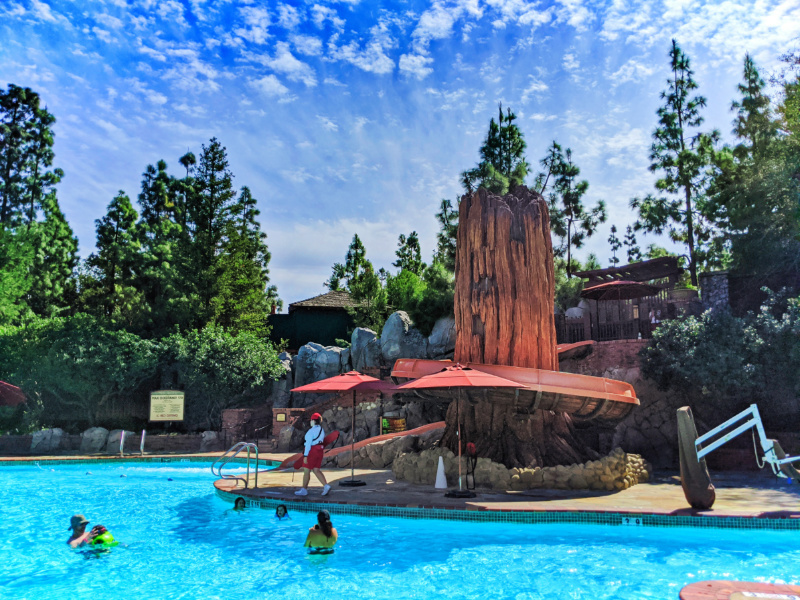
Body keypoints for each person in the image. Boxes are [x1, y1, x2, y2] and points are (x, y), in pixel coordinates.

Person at [295, 413, 331, 497]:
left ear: (313, 421)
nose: (310, 422)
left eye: (311, 420)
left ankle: (304, 489)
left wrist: (305, 456)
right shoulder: (321, 430)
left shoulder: (310, 431)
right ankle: (326, 485)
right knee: (316, 469)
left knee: (306, 470)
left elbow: (308, 444)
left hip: (312, 451)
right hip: (319, 451)